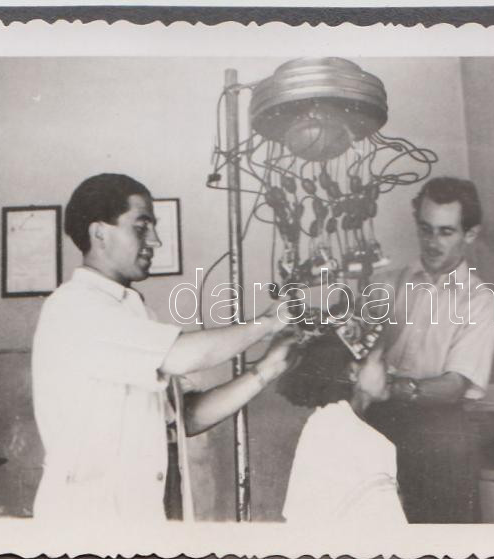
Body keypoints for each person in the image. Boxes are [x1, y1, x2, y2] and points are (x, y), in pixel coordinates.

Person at [32, 173, 296, 526]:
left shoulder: (135, 314)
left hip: (141, 520)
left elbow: (186, 418)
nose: (155, 241)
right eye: (141, 228)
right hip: (89, 525)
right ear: (99, 233)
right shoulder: (75, 307)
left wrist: (268, 367)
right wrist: (270, 322)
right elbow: (181, 355)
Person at [365, 176, 494, 523]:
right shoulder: (384, 284)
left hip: (440, 440)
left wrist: (392, 388)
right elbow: (355, 353)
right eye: (425, 229)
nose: (432, 242)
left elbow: (454, 385)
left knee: (439, 544)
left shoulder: (481, 301)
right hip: (375, 427)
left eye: (446, 232)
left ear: (470, 234)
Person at [278, 332, 407, 526]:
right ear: (353, 371)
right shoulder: (360, 438)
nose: (392, 369)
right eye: (382, 359)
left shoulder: (323, 421)